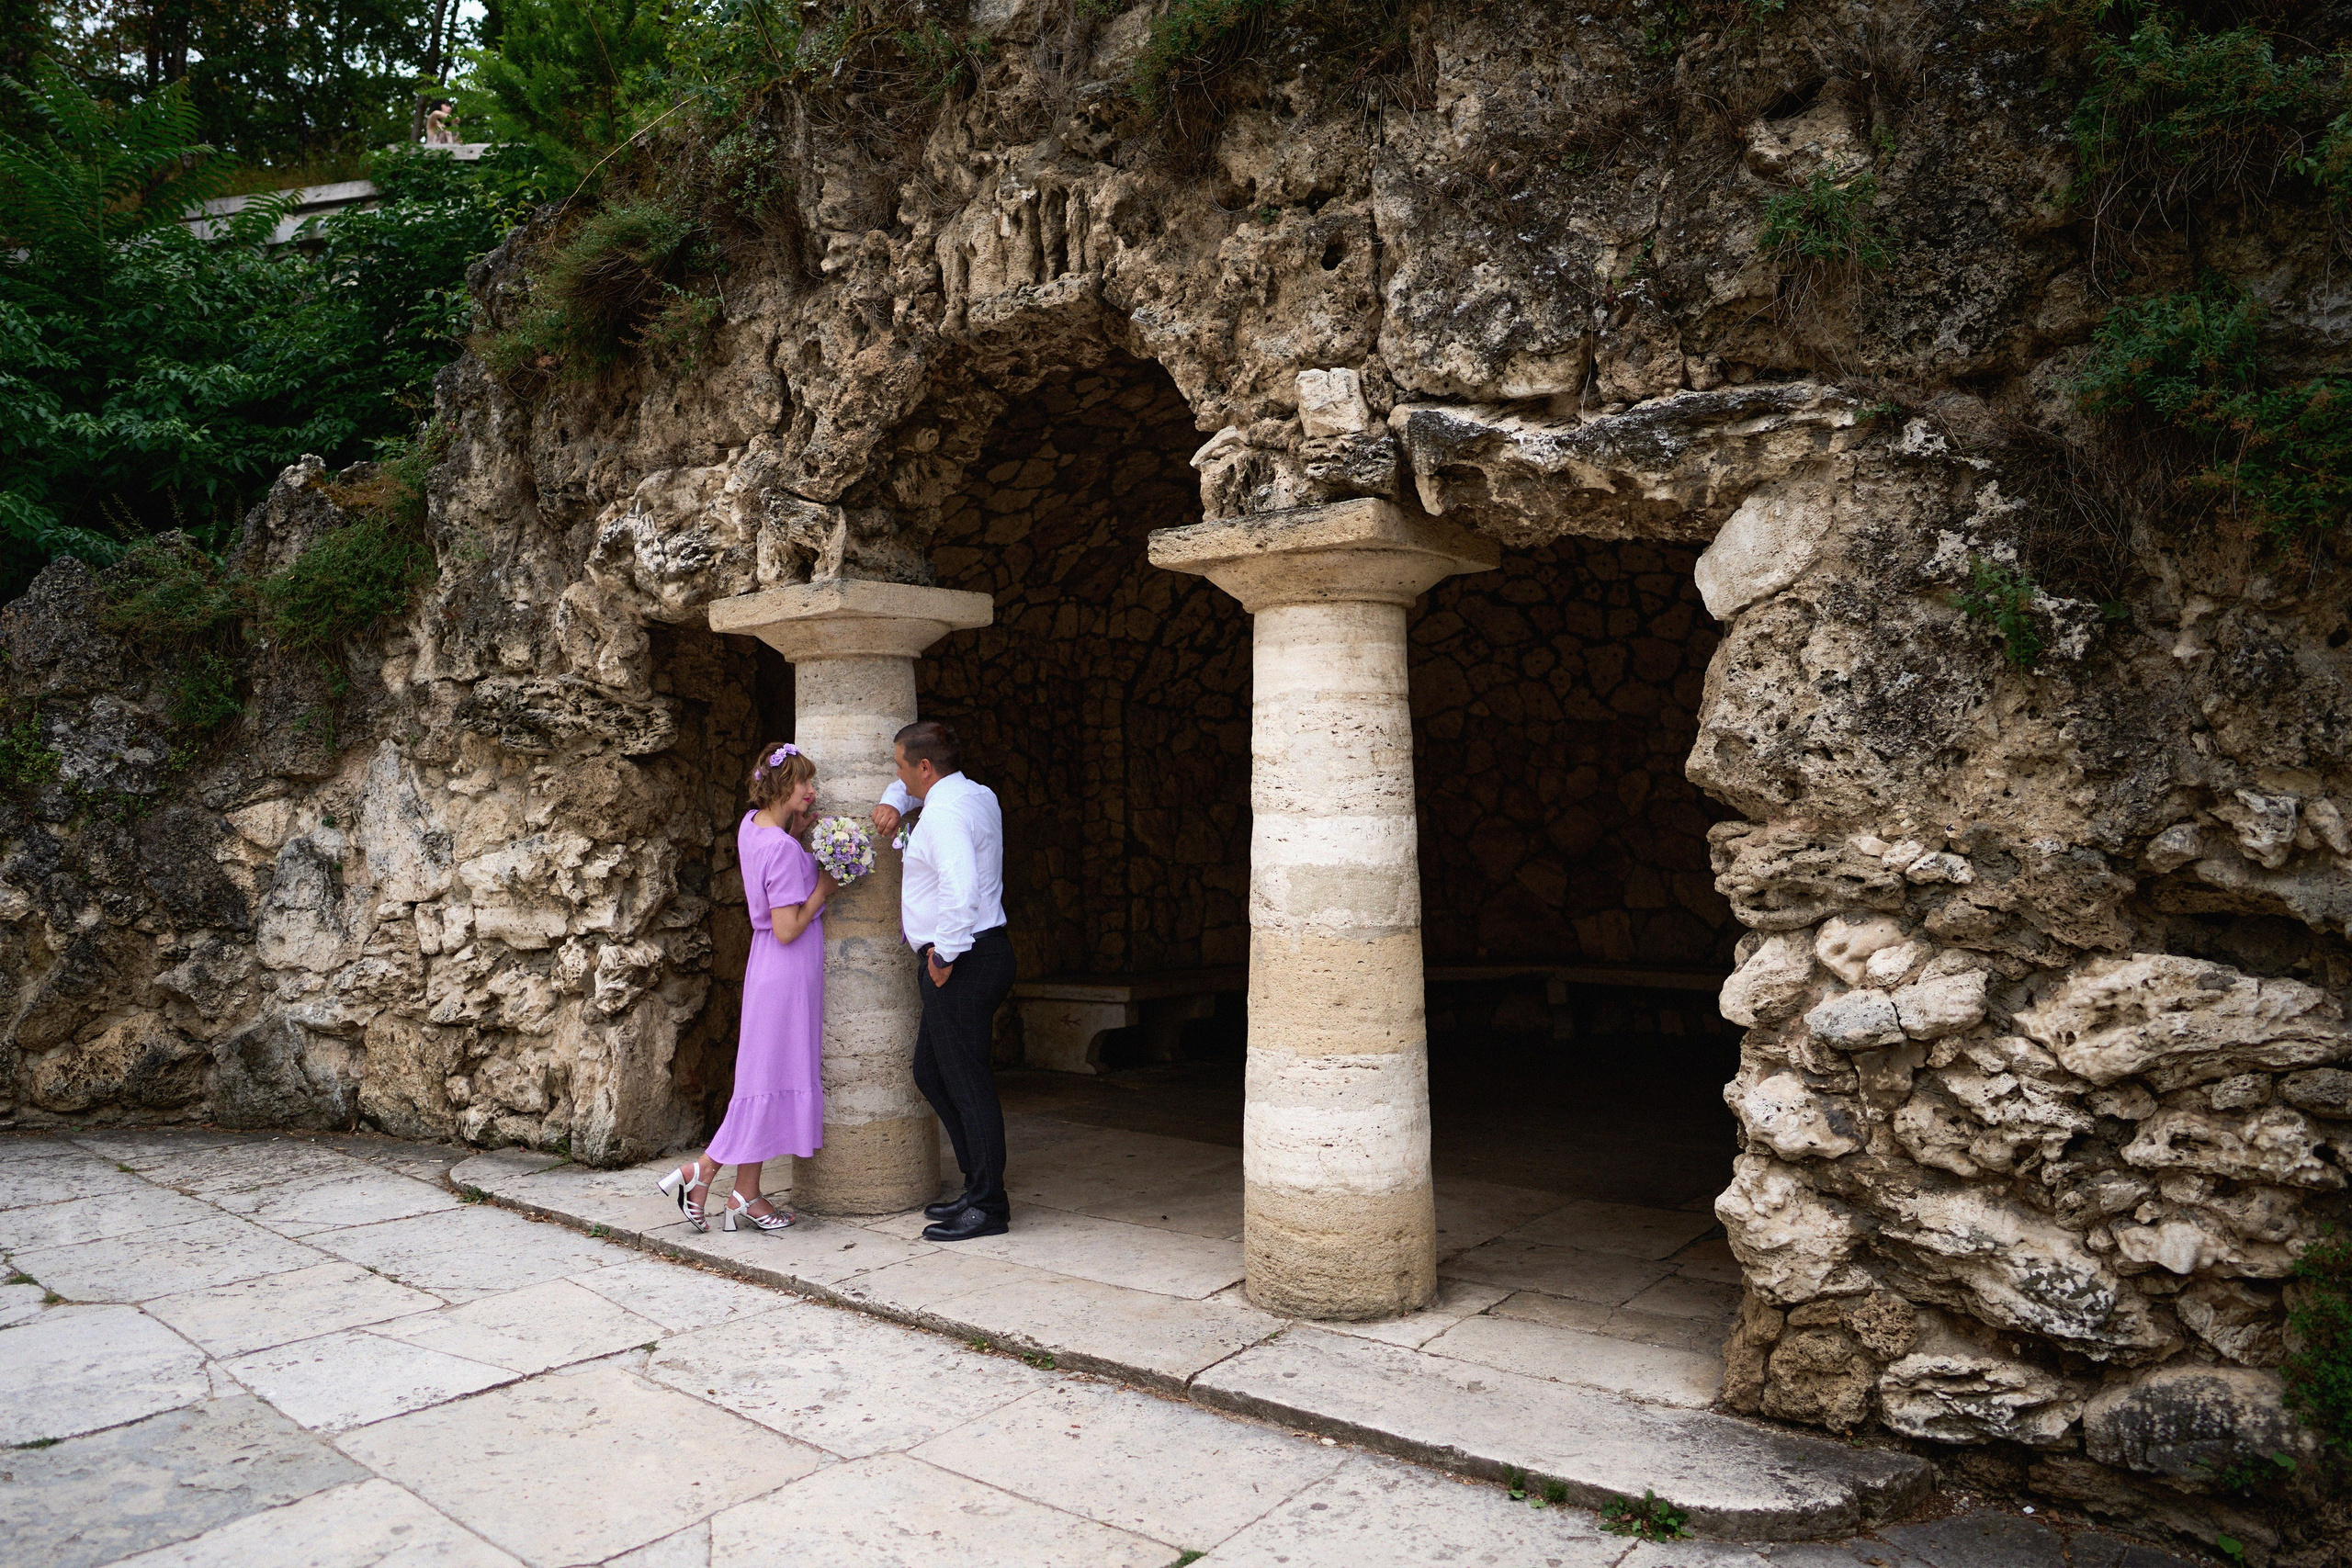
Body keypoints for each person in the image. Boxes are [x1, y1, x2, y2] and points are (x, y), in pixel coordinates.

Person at [657, 743, 835, 1234]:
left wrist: (796, 836)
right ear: (784, 787)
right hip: (785, 967)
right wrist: (824, 886)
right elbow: (786, 927)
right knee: (762, 1082)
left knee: (765, 1080)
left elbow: (772, 871)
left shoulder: (752, 826)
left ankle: (745, 1192)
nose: (812, 792)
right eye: (805, 784)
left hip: (769, 969)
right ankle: (704, 1171)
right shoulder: (779, 847)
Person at [872, 720, 1014, 1240]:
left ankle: (988, 1206)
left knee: (966, 1083)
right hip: (981, 952)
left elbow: (961, 886)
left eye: (900, 765)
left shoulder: (946, 813)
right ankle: (978, 1186)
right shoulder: (974, 794)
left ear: (924, 767)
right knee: (932, 1074)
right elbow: (906, 794)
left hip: (962, 957)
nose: (897, 774)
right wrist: (894, 796)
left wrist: (944, 954)